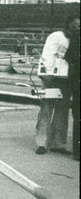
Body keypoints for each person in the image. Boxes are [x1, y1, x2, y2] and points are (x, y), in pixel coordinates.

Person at [35, 16, 79, 155]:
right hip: (52, 77)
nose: (77, 29)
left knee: (62, 110)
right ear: (68, 26)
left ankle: (58, 143)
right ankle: (42, 143)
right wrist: (48, 75)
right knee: (47, 109)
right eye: (76, 26)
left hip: (66, 79)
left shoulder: (75, 40)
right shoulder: (56, 36)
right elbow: (47, 55)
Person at [64, 21, 80, 160]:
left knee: (78, 117)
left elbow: (69, 57)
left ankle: (78, 152)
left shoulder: (77, 37)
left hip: (78, 81)